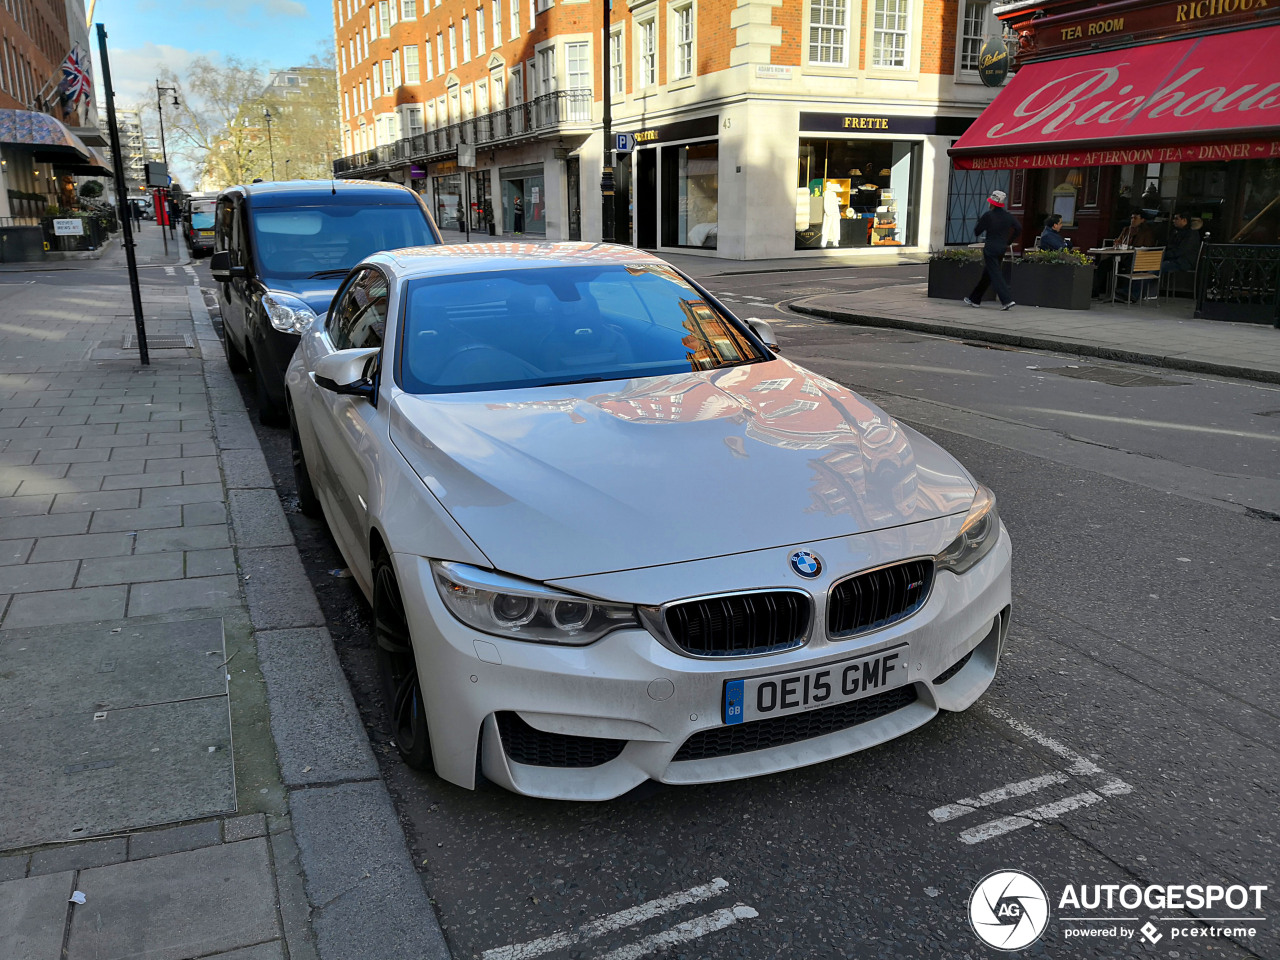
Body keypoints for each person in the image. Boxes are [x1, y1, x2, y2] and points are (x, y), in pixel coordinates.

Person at [964, 189, 1020, 310]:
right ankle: (975, 299)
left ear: (992, 203)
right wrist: (1008, 241)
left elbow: (977, 231)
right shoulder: (1008, 216)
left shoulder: (988, 215)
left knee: (995, 273)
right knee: (989, 273)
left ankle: (1006, 300)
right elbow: (1018, 228)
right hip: (1001, 248)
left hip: (990, 248)